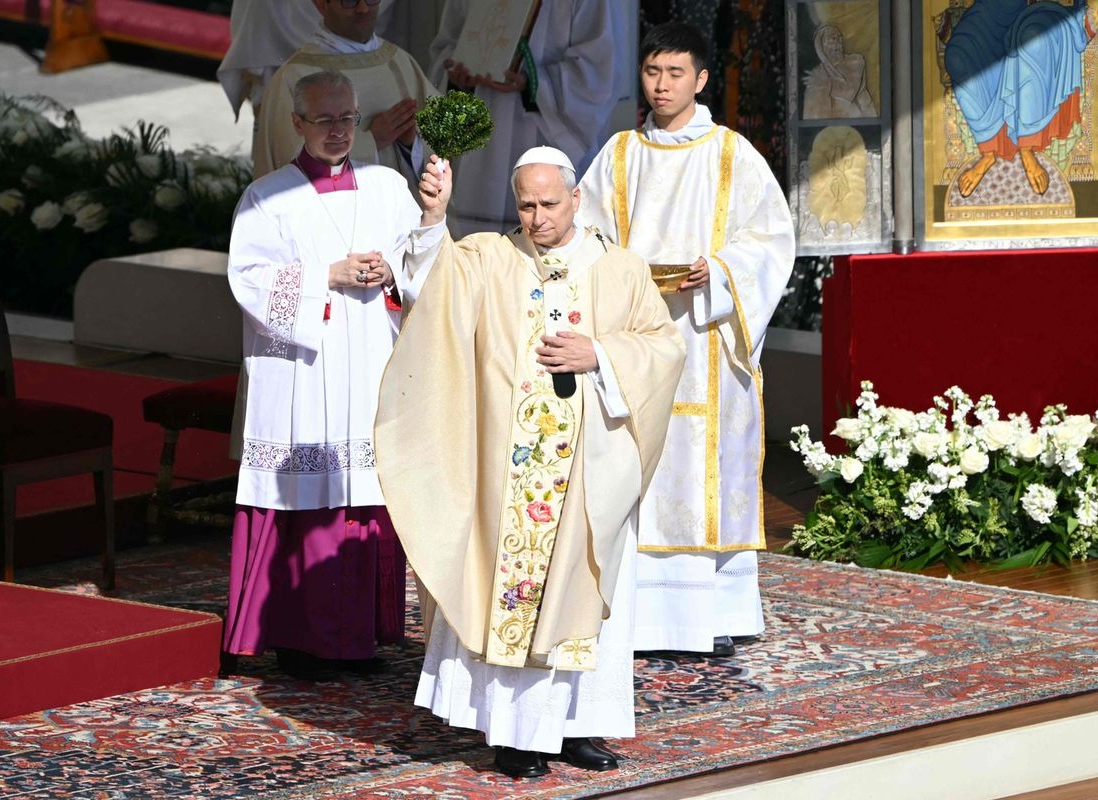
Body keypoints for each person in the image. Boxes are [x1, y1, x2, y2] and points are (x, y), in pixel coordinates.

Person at [374, 147, 685, 778]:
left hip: (589, 470)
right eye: (526, 204)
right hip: (505, 473)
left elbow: (664, 346)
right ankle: (516, 735)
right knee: (511, 592)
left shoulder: (620, 269)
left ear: (576, 200)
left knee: (583, 598)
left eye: (549, 204)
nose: (537, 217)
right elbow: (433, 289)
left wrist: (598, 352)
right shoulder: (491, 258)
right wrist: (435, 218)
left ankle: (578, 728)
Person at [577, 23, 795, 659]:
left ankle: (710, 616)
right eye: (652, 73)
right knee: (638, 459)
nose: (662, 85)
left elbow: (772, 239)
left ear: (701, 80)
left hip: (705, 331)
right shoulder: (618, 154)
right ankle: (639, 619)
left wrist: (720, 272)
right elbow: (585, 235)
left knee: (703, 462)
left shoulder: (731, 155)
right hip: (634, 337)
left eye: (676, 74)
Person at [223, 71, 424, 679]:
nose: (338, 131)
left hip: (367, 361)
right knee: (309, 499)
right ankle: (299, 640)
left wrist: (391, 273)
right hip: (304, 372)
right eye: (325, 120)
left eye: (348, 119)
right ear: (298, 123)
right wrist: (326, 278)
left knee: (362, 500)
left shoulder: (390, 187)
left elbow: (421, 261)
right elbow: (247, 280)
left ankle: (360, 637)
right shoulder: (267, 197)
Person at [427, 0, 627, 234]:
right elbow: (445, 48)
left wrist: (533, 81)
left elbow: (601, 67)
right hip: (480, 148)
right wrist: (457, 72)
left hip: (541, 132)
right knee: (479, 254)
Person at [252, 0, 437, 184]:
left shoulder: (400, 62)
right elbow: (291, 165)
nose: (363, 8)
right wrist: (372, 141)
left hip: (396, 211)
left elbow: (444, 146)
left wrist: (411, 145)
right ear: (321, 5)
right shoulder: (295, 76)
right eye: (349, 1)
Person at [941, 0, 1096, 197]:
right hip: (997, 8)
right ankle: (988, 150)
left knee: (1032, 40)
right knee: (958, 56)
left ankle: (1027, 145)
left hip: (1046, 9)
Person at [216, 0, 395, 121]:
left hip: (367, 81)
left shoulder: (400, 63)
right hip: (280, 84)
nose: (363, 8)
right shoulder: (286, 77)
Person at [802, 24, 876, 119]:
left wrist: (872, 120)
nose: (839, 42)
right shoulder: (817, 75)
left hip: (856, 121)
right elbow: (812, 115)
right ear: (821, 46)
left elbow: (863, 95)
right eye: (833, 39)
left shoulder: (856, 63)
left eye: (839, 37)